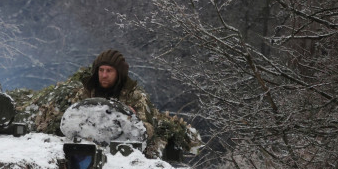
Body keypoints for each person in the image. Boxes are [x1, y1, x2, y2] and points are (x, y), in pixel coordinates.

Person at [13, 49, 201, 160]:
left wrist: (133, 120)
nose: (103, 75)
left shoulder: (135, 96)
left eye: (109, 71)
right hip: (85, 146)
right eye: (101, 70)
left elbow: (148, 128)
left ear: (118, 73)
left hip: (120, 149)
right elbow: (73, 116)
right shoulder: (86, 91)